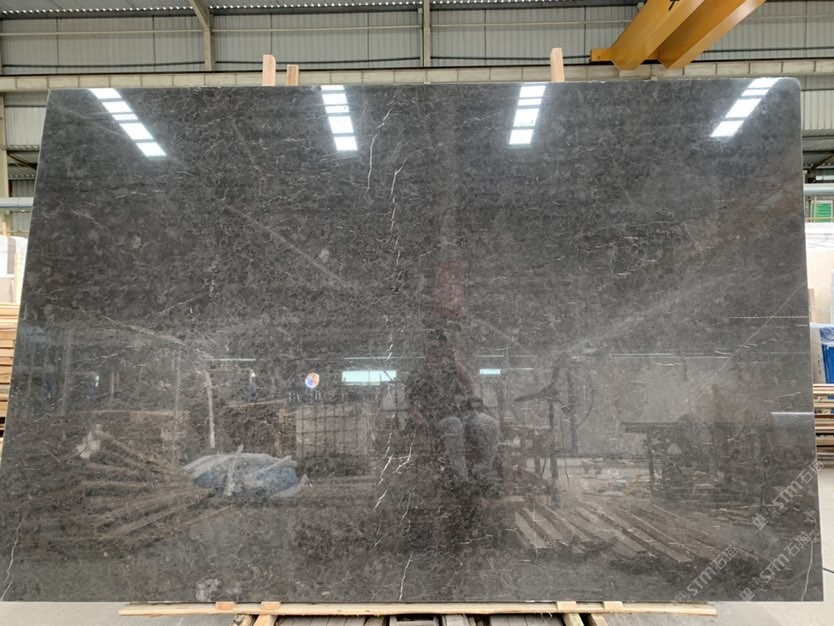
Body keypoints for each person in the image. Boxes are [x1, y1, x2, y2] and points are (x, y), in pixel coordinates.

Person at [406, 327, 500, 495]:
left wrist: (455, 361)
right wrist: (421, 423)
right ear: (426, 350)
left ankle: (482, 471)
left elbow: (468, 386)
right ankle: (461, 479)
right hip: (436, 419)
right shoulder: (418, 373)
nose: (437, 352)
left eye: (441, 347)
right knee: (454, 424)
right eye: (433, 348)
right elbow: (412, 406)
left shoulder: (451, 369)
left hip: (463, 415)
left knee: (490, 423)